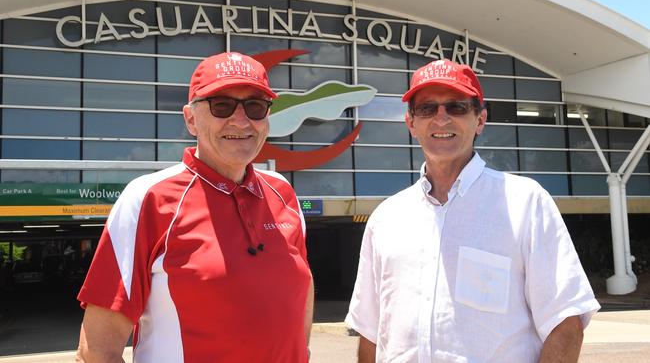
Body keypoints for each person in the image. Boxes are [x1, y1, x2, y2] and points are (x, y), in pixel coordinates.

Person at [345, 59, 600, 363]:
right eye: (427, 108)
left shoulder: (525, 203)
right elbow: (371, 335)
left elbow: (565, 322)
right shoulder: (386, 219)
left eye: (457, 107)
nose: (441, 119)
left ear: (480, 120)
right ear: (411, 123)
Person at [76, 52, 314, 363]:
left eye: (255, 107)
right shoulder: (149, 198)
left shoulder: (283, 193)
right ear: (191, 119)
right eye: (222, 105)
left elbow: (301, 289)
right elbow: (96, 352)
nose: (241, 120)